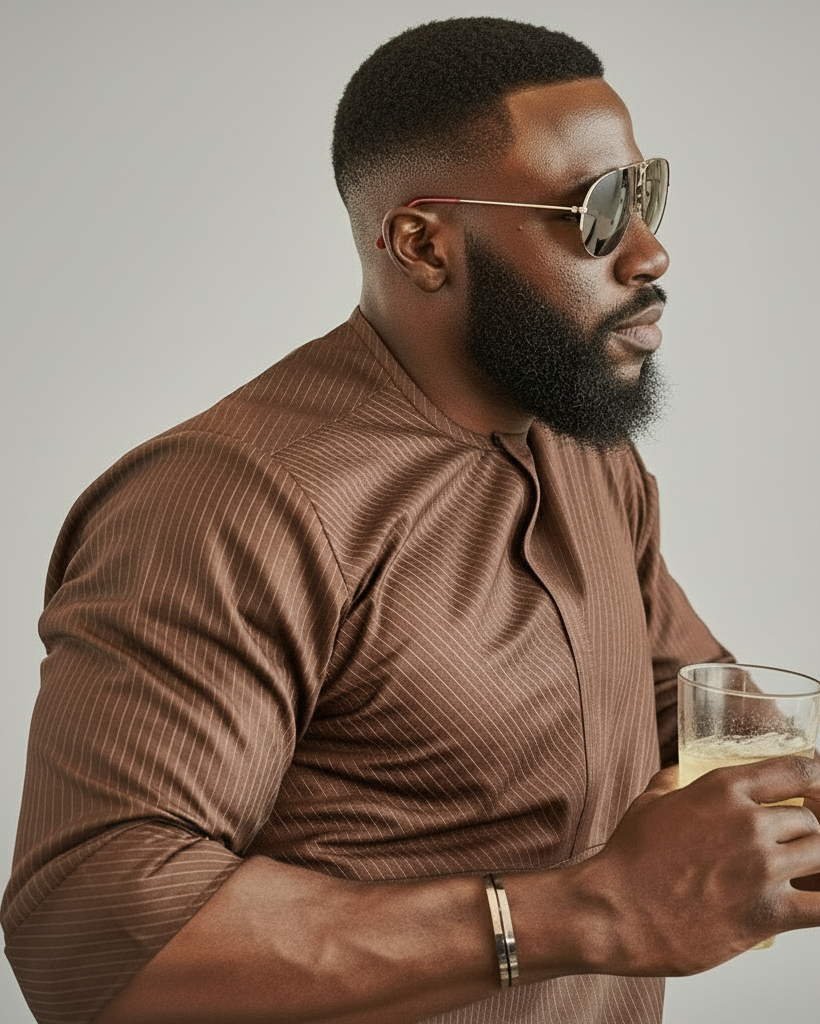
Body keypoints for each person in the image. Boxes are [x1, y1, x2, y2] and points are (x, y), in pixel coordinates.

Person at [4, 16, 820, 1024]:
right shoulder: (226, 502)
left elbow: (691, 715)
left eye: (644, 192)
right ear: (425, 242)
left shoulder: (585, 452)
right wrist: (588, 912)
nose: (651, 252)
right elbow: (89, 941)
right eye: (598, 210)